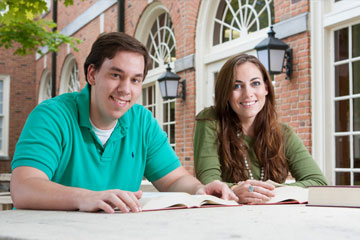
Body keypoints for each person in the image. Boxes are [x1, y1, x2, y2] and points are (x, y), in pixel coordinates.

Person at [10, 32, 237, 213]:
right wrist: (86, 197)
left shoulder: (142, 121)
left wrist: (200, 189)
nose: (125, 90)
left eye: (135, 79)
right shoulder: (52, 116)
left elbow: (174, 179)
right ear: (92, 74)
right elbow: (24, 186)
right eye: (116, 75)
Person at [193, 54, 327, 204]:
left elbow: (318, 183)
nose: (248, 94)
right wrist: (236, 190)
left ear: (266, 88)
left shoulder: (283, 133)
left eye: (255, 83)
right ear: (225, 93)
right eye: (236, 86)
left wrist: (265, 192)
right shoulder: (211, 121)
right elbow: (210, 184)